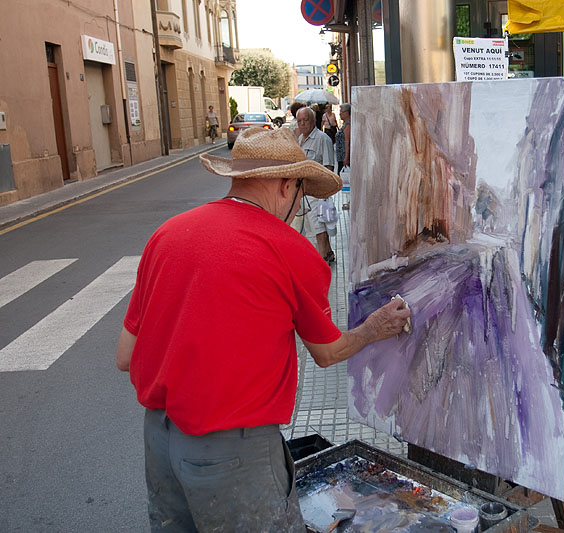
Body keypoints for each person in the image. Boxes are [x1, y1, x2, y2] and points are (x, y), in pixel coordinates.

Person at [115, 127, 411, 531]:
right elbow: (327, 352)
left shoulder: (167, 235)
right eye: (302, 194)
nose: (299, 205)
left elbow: (125, 356)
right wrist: (374, 327)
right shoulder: (289, 249)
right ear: (287, 186)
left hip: (160, 440)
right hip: (234, 452)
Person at [297, 106, 337, 263]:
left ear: (313, 121)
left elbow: (329, 167)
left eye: (305, 120)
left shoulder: (322, 139)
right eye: (299, 121)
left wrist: (325, 192)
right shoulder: (300, 139)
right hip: (304, 191)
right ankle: (328, 253)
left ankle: (321, 261)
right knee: (312, 226)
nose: (302, 124)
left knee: (318, 227)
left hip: (317, 191)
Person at [335, 103, 352, 210]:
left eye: (342, 112)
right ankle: (350, 200)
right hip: (341, 156)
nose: (340, 114)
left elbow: (347, 142)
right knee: (346, 180)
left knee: (348, 180)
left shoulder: (348, 125)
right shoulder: (345, 124)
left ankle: (351, 201)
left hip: (345, 157)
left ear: (347, 113)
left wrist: (346, 157)